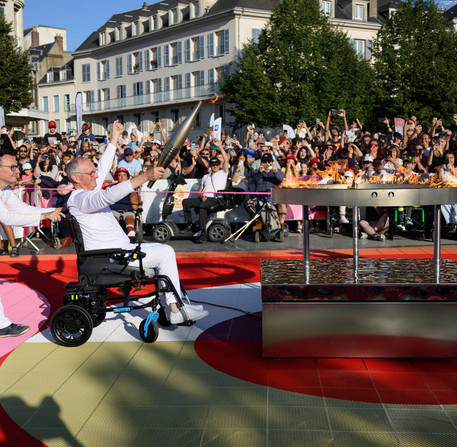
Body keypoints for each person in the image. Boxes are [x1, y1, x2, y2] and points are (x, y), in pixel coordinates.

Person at [66, 121, 208, 325]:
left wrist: (114, 137)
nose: (97, 175)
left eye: (94, 172)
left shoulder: (87, 189)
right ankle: (175, 308)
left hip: (118, 251)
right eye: (91, 174)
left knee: (162, 250)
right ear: (75, 178)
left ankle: (174, 305)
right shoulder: (80, 199)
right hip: (110, 258)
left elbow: (104, 165)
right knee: (165, 252)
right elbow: (107, 197)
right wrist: (144, 176)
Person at [0, 150, 64, 337]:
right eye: (12, 167)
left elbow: (21, 208)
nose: (17, 171)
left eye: (16, 167)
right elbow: (7, 217)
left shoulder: (4, 189)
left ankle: (2, 326)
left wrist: (55, 210)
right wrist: (44, 216)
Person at [181, 139, 230, 243]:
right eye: (213, 165)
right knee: (186, 202)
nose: (215, 166)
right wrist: (201, 196)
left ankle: (203, 232)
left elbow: (226, 160)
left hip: (216, 199)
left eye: (217, 164)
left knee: (203, 206)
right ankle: (189, 224)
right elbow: (199, 191)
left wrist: (220, 146)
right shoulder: (205, 176)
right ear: (211, 166)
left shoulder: (223, 173)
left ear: (219, 165)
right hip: (205, 198)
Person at [109, 167, 139, 237]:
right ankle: (114, 231)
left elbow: (135, 206)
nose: (122, 177)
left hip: (127, 210)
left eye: (124, 175)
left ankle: (130, 229)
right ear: (117, 177)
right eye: (119, 175)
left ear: (127, 177)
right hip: (114, 209)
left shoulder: (131, 187)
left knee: (129, 215)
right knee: (113, 216)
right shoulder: (112, 187)